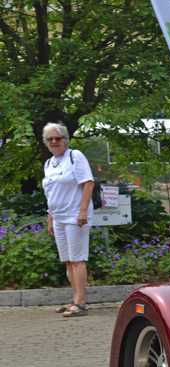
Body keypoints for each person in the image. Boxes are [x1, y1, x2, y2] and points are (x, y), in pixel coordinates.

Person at [41, 122, 94, 318]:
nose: (54, 142)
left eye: (58, 138)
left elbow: (88, 183)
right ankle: (74, 299)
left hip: (75, 215)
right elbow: (52, 194)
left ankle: (81, 302)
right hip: (58, 217)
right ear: (46, 142)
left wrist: (82, 212)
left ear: (65, 139)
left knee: (77, 259)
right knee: (68, 261)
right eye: (50, 139)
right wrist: (50, 219)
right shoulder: (49, 163)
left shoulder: (75, 156)